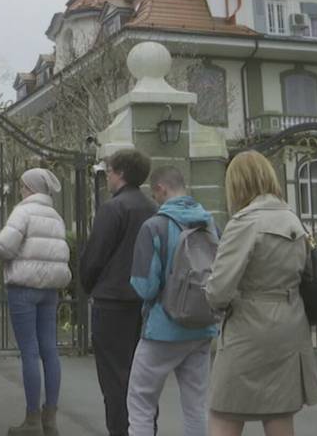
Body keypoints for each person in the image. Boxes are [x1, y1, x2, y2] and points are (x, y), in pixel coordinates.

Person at [205, 151, 317, 436]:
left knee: (224, 411)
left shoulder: (244, 223)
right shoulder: (294, 221)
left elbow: (218, 292)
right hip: (290, 324)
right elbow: (306, 275)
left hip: (249, 329)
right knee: (279, 412)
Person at [127, 166, 218, 436]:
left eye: (155, 195)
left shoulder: (154, 226)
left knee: (141, 401)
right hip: (202, 326)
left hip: (162, 329)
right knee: (195, 407)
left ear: (160, 189)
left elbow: (146, 287)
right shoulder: (210, 224)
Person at [79, 149, 157, 436]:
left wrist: (89, 286)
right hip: (145, 302)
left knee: (114, 379)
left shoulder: (113, 209)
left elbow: (94, 257)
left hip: (112, 302)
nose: (107, 176)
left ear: (121, 173)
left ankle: (120, 432)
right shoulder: (152, 208)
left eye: (109, 171)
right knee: (144, 377)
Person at [0, 169, 72, 436]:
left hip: (23, 288)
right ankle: (51, 418)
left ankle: (32, 419)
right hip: (50, 290)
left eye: (22, 185)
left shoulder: (23, 212)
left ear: (28, 187)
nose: (20, 189)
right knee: (50, 350)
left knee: (29, 351)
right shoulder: (56, 217)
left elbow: (2, 246)